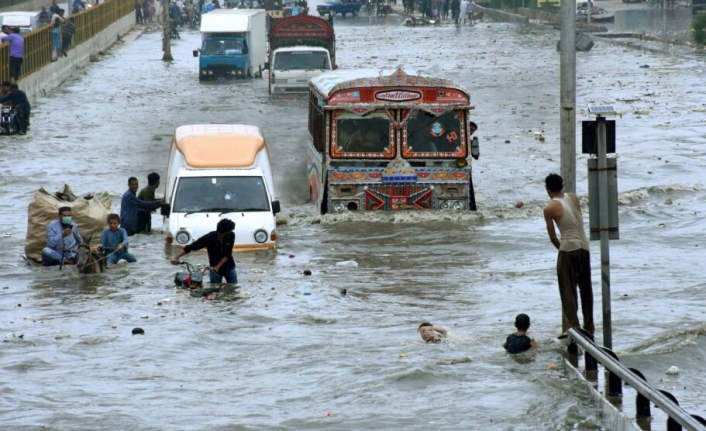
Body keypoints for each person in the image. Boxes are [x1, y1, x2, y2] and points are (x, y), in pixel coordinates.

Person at [543, 173, 595, 339]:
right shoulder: (573, 198)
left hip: (568, 248)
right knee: (586, 289)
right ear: (562, 185)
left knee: (568, 290)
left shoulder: (549, 208)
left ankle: (574, 327)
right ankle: (589, 326)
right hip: (584, 247)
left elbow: (553, 237)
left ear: (547, 188)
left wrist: (561, 249)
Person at [170, 218, 237, 284]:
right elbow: (191, 247)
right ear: (225, 231)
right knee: (215, 291)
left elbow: (228, 253)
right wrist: (176, 257)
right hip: (213, 269)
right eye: (229, 230)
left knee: (233, 288)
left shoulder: (231, 236)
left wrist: (217, 267)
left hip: (229, 267)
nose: (230, 232)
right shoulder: (209, 238)